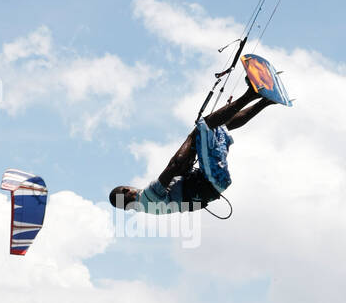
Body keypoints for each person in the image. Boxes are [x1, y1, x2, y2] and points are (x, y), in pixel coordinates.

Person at [109, 87, 274, 214]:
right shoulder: (147, 198)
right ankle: (252, 93)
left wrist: (190, 156)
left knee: (219, 126)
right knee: (204, 126)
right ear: (126, 190)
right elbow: (174, 165)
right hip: (212, 178)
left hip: (215, 182)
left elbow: (181, 184)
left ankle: (266, 101)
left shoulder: (151, 209)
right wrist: (190, 138)